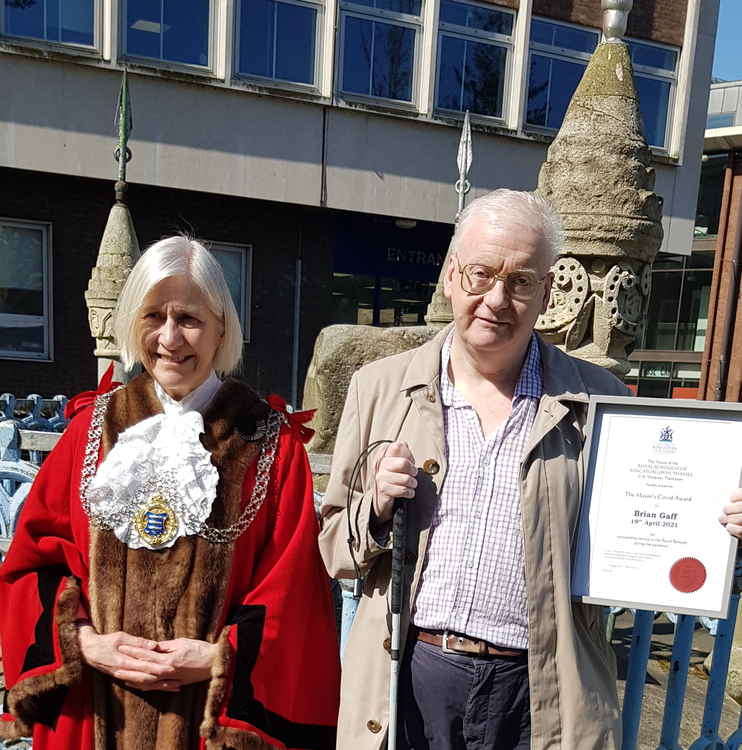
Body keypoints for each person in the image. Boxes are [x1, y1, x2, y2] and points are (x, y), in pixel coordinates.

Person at [318, 189, 742, 750]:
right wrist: (374, 507)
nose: (497, 298)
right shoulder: (379, 388)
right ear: (450, 276)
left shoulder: (600, 402)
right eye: (480, 274)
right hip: (414, 674)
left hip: (539, 689)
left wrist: (718, 528)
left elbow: (658, 527)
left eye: (520, 281)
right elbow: (333, 548)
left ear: (546, 294)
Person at [0, 237, 340, 750]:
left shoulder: (270, 443)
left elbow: (293, 592)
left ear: (222, 327)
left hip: (210, 716)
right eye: (154, 316)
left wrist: (219, 657)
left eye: (190, 319)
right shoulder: (90, 430)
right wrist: (86, 643)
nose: (169, 338)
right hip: (97, 707)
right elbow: (33, 566)